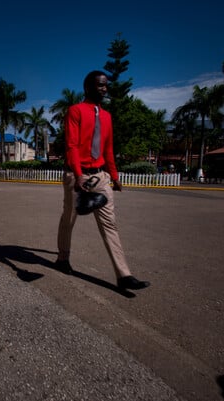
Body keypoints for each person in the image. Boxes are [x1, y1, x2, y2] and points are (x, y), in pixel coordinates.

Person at [55, 70, 150, 290]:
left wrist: (114, 176)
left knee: (109, 223)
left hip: (100, 176)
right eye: (100, 85)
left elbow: (108, 149)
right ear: (88, 87)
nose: (104, 88)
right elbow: (72, 145)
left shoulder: (106, 117)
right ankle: (62, 258)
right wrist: (78, 175)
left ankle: (123, 275)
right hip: (76, 175)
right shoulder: (75, 111)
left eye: (106, 85)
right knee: (69, 219)